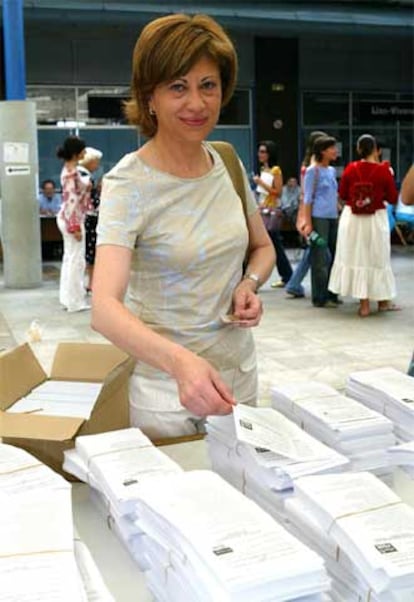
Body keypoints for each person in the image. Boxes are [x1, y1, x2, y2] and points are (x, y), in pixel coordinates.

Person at [92, 13, 275, 439]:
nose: (197, 103)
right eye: (178, 86)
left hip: (238, 380)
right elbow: (104, 308)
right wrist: (179, 362)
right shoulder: (129, 183)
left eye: (207, 85)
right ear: (149, 96)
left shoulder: (225, 160)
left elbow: (262, 247)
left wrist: (248, 284)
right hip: (167, 395)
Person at [328, 134, 399, 317]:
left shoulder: (351, 169)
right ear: (377, 150)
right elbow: (392, 197)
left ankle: (364, 305)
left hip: (353, 219)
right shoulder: (384, 171)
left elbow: (343, 194)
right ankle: (383, 301)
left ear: (359, 150)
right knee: (378, 258)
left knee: (358, 258)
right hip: (376, 219)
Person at [284, 130, 327, 299]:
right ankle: (294, 283)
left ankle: (294, 283)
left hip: (310, 212)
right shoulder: (312, 168)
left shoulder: (308, 165)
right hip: (313, 213)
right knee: (317, 249)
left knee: (314, 249)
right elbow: (307, 194)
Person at [302, 135, 339, 308]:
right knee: (320, 257)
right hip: (319, 217)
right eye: (331, 148)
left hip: (333, 216)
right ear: (323, 151)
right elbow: (307, 198)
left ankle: (332, 292)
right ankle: (319, 296)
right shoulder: (312, 171)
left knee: (335, 255)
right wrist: (308, 222)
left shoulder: (331, 171)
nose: (335, 151)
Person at [56, 136, 91, 313]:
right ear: (77, 153)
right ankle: (75, 301)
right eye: (83, 150)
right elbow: (71, 202)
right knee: (76, 261)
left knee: (70, 258)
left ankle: (68, 298)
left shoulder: (70, 170)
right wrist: (74, 226)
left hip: (68, 218)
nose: (85, 153)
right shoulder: (71, 173)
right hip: (72, 219)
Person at [253, 140, 293, 288]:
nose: (260, 155)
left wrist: (261, 183)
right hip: (262, 208)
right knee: (274, 244)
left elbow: (278, 192)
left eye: (263, 152)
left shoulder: (276, 170)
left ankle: (287, 275)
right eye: (260, 151)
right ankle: (287, 275)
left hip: (270, 211)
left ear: (270, 154)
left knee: (274, 244)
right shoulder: (264, 170)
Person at [77, 147, 103, 292]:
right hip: (89, 218)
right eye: (96, 162)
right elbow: (88, 201)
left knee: (88, 251)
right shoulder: (84, 177)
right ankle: (91, 282)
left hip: (87, 217)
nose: (97, 165)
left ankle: (91, 281)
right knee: (90, 251)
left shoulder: (81, 174)